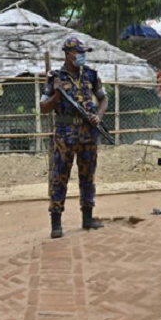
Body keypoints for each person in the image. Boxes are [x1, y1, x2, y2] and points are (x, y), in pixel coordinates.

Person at [40, 37, 108, 239]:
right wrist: (56, 98)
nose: (82, 56)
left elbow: (103, 98)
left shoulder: (90, 74)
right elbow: (43, 108)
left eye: (83, 52)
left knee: (88, 174)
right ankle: (56, 223)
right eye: (79, 53)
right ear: (68, 54)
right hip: (65, 132)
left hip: (88, 131)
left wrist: (99, 116)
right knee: (60, 176)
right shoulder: (54, 77)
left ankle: (87, 217)